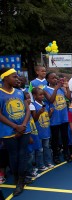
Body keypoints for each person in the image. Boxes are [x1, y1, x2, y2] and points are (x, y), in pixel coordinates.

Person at [0, 68, 31, 196]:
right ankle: (17, 179)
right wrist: (15, 126)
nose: (17, 79)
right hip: (9, 131)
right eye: (14, 76)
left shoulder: (19, 92)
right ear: (5, 78)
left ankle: (21, 181)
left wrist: (23, 125)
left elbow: (27, 110)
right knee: (14, 156)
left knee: (22, 155)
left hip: (24, 129)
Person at [44, 72, 72, 164]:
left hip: (63, 116)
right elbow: (51, 100)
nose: (55, 79)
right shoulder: (45, 89)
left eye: (56, 78)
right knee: (55, 139)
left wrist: (66, 87)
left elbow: (69, 97)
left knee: (65, 137)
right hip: (54, 118)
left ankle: (66, 153)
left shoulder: (61, 88)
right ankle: (55, 155)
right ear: (47, 79)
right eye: (52, 78)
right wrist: (56, 88)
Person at [31, 88, 54, 169]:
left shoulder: (45, 104)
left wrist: (50, 113)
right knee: (39, 149)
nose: (42, 96)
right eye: (40, 95)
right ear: (34, 96)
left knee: (47, 147)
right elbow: (34, 119)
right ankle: (40, 165)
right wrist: (39, 112)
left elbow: (47, 117)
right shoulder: (33, 105)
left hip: (46, 130)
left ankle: (48, 162)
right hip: (38, 132)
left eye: (43, 94)